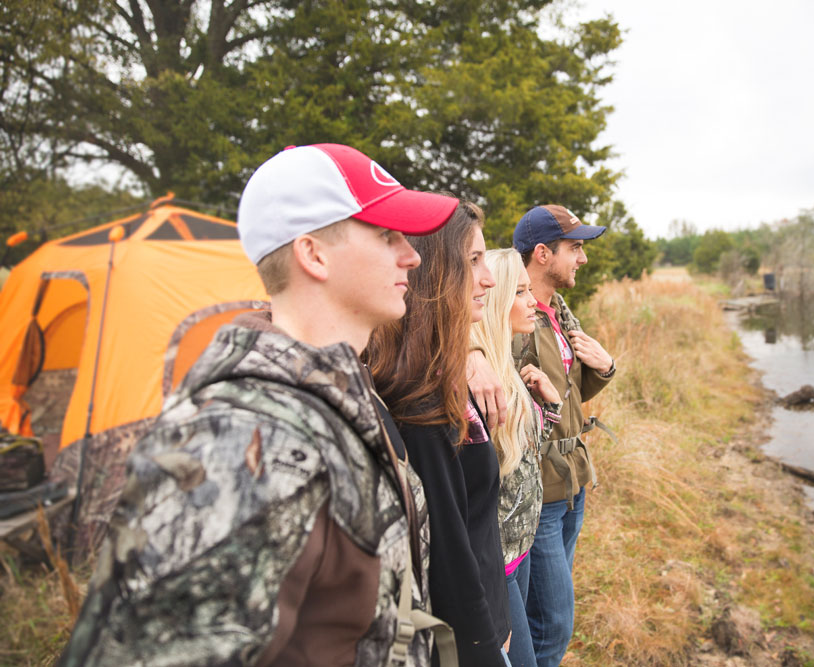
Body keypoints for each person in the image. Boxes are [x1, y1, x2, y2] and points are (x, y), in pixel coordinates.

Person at [58, 144, 459, 667]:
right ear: (313, 254)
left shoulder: (337, 394)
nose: (412, 255)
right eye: (387, 236)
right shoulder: (242, 441)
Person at [366, 201, 513, 667]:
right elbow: (447, 560)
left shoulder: (449, 376)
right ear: (433, 275)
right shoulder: (419, 406)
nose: (488, 278)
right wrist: (485, 646)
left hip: (492, 619)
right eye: (473, 261)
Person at [469, 204, 616, 666]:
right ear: (542, 253)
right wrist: (469, 352)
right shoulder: (511, 317)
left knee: (545, 616)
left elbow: (560, 396)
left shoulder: (555, 315)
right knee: (552, 622)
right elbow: (484, 363)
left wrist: (604, 369)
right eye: (575, 248)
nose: (583, 258)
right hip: (538, 492)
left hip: (569, 479)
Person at [470, 248, 563, 667]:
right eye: (521, 292)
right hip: (497, 561)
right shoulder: (478, 379)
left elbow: (522, 460)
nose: (532, 302)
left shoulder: (506, 365)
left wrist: (550, 407)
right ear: (496, 298)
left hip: (520, 547)